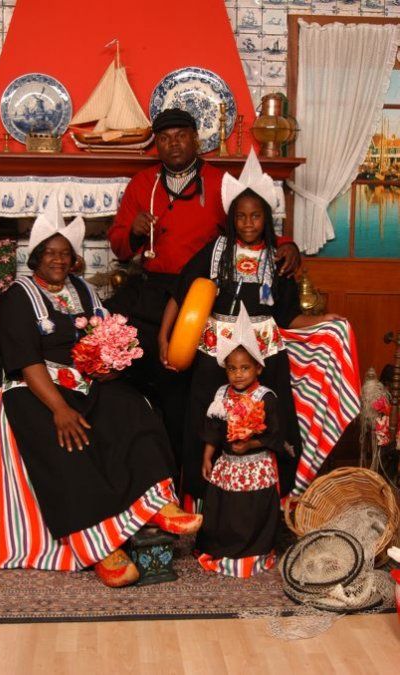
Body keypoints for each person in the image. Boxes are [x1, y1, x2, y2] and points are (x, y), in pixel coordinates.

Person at [0, 195, 202, 588]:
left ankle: (156, 503)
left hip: (80, 380)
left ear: (74, 259)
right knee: (66, 439)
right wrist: (58, 409)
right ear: (35, 257)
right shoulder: (17, 298)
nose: (57, 260)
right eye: (49, 253)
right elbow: (25, 361)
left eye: (65, 254)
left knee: (133, 407)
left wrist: (107, 363)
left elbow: (103, 335)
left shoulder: (82, 290)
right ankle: (101, 547)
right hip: (29, 388)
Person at [105, 108, 300, 463]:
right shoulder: (141, 184)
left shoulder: (219, 180)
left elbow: (250, 225)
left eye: (181, 135)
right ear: (156, 145)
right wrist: (131, 230)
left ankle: (188, 473)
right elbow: (118, 247)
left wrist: (287, 244)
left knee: (185, 391)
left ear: (196, 139)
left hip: (200, 296)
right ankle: (141, 468)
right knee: (124, 369)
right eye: (164, 138)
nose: (173, 143)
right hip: (154, 292)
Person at [159, 149, 342, 501]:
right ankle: (200, 502)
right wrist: (164, 338)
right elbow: (180, 294)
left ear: (266, 217)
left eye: (255, 216)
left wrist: (322, 321)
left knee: (275, 417)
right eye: (240, 216)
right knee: (205, 417)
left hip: (265, 352)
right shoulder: (216, 250)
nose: (247, 223)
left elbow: (288, 316)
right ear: (231, 218)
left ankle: (276, 499)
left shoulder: (279, 258)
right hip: (215, 350)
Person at [196, 306, 283, 578]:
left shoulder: (266, 397)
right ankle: (224, 549)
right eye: (232, 368)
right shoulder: (222, 393)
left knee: (251, 511)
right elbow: (213, 427)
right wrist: (208, 456)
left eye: (245, 368)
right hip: (228, 465)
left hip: (255, 466)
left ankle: (253, 550)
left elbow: (275, 436)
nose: (238, 374)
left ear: (258, 367)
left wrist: (251, 445)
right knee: (225, 509)